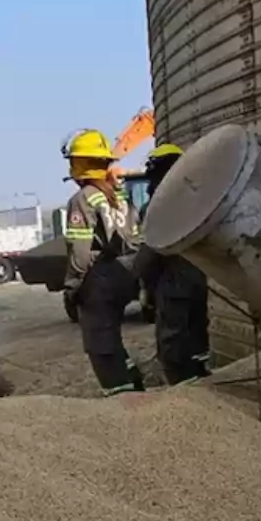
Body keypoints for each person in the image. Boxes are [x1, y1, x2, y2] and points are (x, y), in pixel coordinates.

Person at [60, 129, 148, 397]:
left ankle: (124, 400)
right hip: (127, 271)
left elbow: (81, 252)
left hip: (102, 276)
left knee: (100, 344)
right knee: (112, 338)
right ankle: (134, 384)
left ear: (81, 163)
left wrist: (73, 287)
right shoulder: (117, 195)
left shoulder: (84, 198)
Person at [141, 143, 212, 384]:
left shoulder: (158, 206)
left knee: (173, 342)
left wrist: (139, 279)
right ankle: (203, 379)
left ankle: (184, 390)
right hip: (200, 277)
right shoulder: (198, 197)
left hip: (174, 284)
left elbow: (149, 254)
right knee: (197, 333)